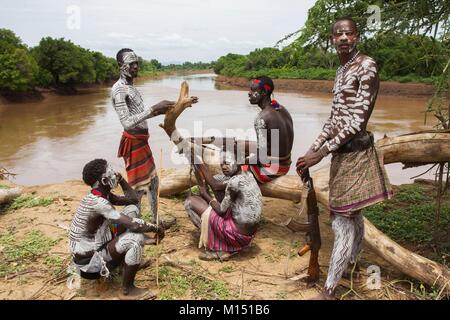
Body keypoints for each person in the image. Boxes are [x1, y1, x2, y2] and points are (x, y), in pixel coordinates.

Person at [296, 17, 393, 300]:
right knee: (354, 214)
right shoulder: (341, 71)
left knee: (341, 221)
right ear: (331, 39)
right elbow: (334, 120)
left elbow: (357, 122)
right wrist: (310, 151)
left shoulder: (367, 66)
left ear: (357, 37)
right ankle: (353, 263)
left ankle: (329, 290)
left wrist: (321, 153)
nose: (343, 38)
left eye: (348, 33)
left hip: (357, 154)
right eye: (338, 34)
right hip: (342, 155)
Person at [69, 159, 165, 300]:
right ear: (104, 180)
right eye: (111, 172)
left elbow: (133, 200)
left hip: (96, 249)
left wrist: (121, 180)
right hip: (90, 265)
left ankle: (127, 265)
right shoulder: (98, 202)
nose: (114, 173)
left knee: (131, 210)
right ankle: (127, 290)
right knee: (135, 239)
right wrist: (155, 228)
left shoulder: (101, 194)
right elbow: (134, 225)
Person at [111, 48, 175, 229]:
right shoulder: (119, 90)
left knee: (153, 182)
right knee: (138, 189)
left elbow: (139, 115)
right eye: (131, 63)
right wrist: (153, 108)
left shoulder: (131, 88)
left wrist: (161, 110)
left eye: (136, 63)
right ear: (120, 66)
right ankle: (137, 227)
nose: (135, 66)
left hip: (141, 141)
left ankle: (154, 221)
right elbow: (126, 122)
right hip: (133, 141)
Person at [184, 151, 262, 261]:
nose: (224, 167)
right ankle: (221, 239)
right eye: (221, 164)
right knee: (219, 179)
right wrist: (196, 163)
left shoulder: (234, 182)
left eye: (227, 163)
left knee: (190, 202)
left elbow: (221, 211)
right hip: (248, 236)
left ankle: (218, 247)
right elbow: (215, 183)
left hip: (235, 236)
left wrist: (206, 195)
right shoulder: (248, 174)